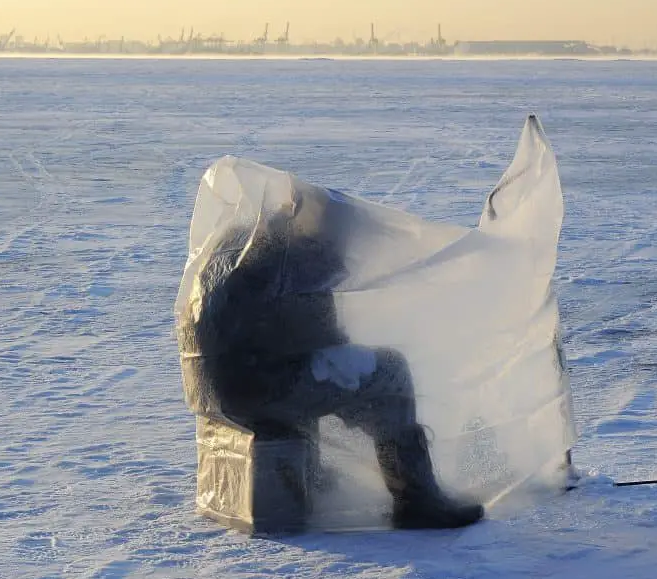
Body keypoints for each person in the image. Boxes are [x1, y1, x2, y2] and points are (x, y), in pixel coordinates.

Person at [177, 180, 484, 530]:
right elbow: (317, 337)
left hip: (213, 386)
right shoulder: (296, 255)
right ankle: (416, 499)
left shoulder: (245, 238)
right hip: (254, 387)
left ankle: (313, 473)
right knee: (390, 370)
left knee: (327, 367)